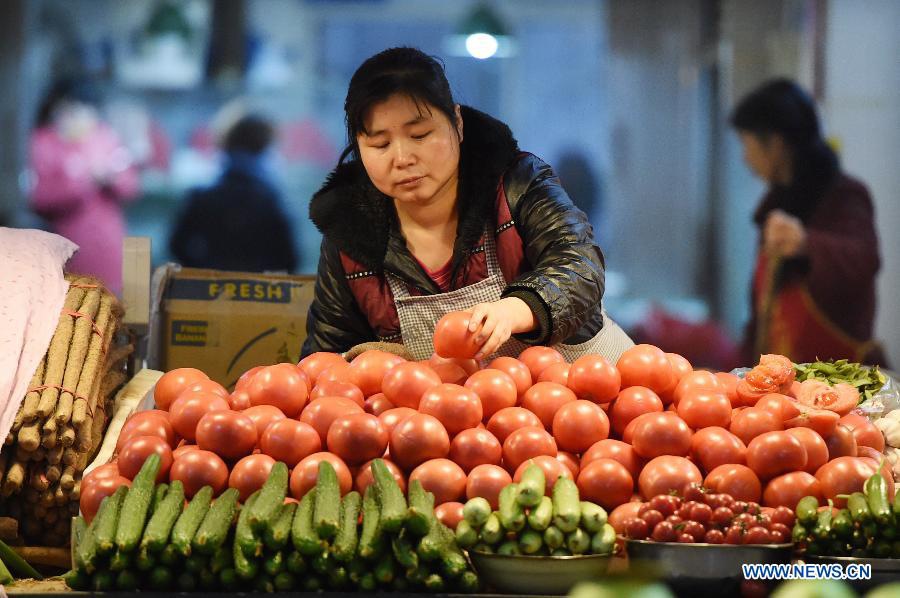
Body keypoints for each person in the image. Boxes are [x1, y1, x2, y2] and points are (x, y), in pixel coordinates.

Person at [301, 47, 633, 362]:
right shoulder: (349, 233)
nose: (402, 158)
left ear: (457, 124)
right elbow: (329, 354)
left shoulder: (517, 183)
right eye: (380, 143)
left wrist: (515, 309)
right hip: (457, 418)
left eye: (419, 135)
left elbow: (579, 264)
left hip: (589, 399)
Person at [731, 78, 887, 366]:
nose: (745, 158)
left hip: (842, 380)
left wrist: (806, 243)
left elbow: (865, 259)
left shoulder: (845, 195)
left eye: (747, 143)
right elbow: (761, 313)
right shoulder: (774, 205)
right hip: (780, 383)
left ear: (775, 144)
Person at [29, 80, 140, 295]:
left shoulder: (104, 138)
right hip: (65, 247)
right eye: (69, 109)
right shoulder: (44, 142)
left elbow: (131, 186)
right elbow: (39, 197)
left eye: (84, 109)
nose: (77, 116)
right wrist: (84, 180)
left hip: (110, 246)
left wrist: (111, 178)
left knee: (113, 313)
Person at [169, 113, 298, 273]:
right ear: (263, 147)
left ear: (225, 142)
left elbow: (177, 245)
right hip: (258, 291)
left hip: (209, 290)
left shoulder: (201, 196)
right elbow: (289, 258)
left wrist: (202, 272)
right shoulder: (270, 200)